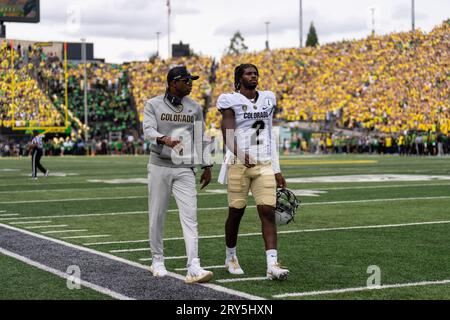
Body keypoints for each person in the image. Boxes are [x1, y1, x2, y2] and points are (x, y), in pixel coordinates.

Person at [217, 64, 289, 280]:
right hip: (238, 164)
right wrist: (239, 153)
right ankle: (230, 256)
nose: (254, 76)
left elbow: (268, 135)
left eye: (256, 73)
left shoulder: (268, 98)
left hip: (264, 163)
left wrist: (277, 169)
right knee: (236, 212)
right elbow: (227, 133)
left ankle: (272, 264)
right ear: (239, 78)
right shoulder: (231, 100)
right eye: (249, 73)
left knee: (268, 212)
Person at [143, 66, 214, 284]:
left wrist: (207, 165)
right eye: (186, 80)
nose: (191, 84)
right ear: (173, 83)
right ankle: (157, 260)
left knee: (190, 216)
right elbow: (147, 131)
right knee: (157, 214)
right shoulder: (153, 104)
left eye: (191, 80)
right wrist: (164, 139)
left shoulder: (194, 107)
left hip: (185, 167)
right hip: (160, 165)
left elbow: (201, 136)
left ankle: (193, 265)